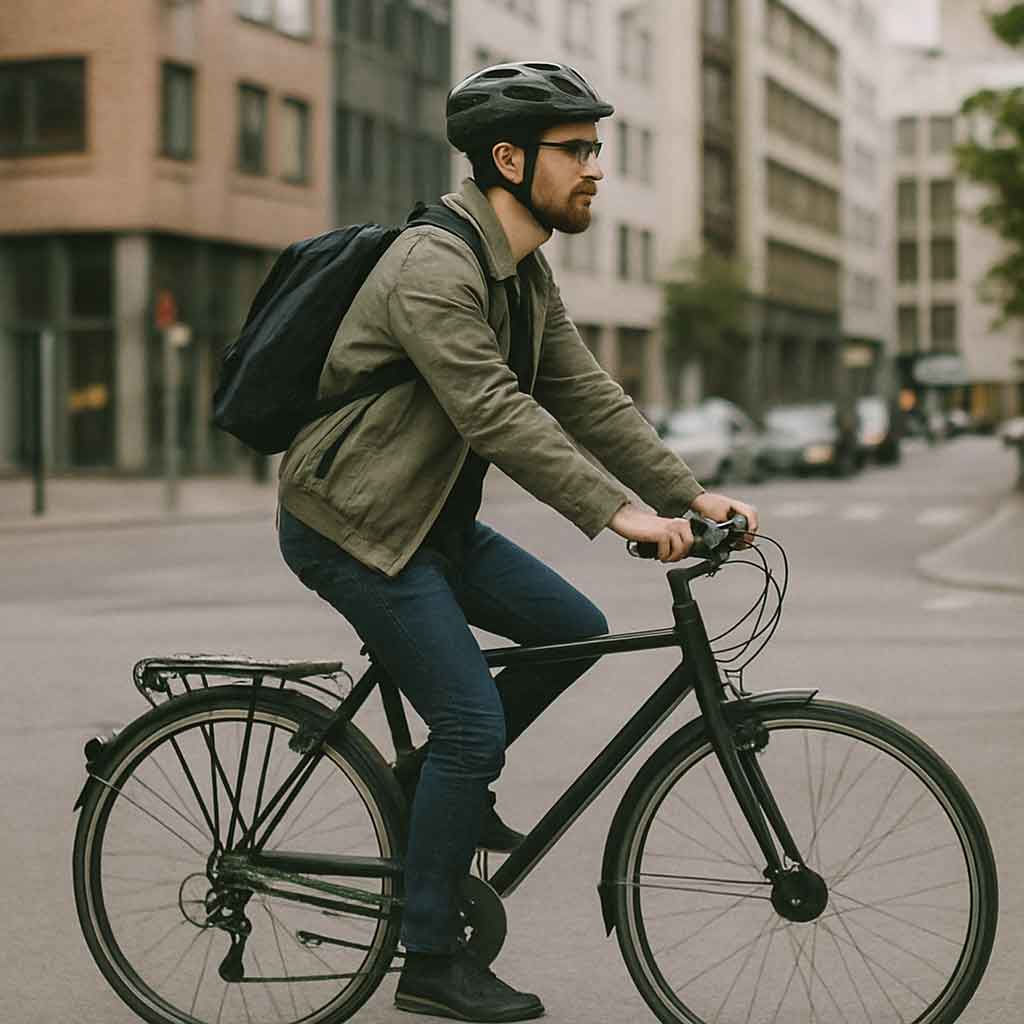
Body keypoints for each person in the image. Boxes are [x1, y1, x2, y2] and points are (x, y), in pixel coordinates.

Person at [277, 61, 758, 1023]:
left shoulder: (525, 274)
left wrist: (688, 494)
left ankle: (426, 788)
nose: (596, 167)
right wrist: (619, 513)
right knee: (472, 725)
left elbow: (584, 395)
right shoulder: (432, 266)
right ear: (508, 159)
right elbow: (494, 409)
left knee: (571, 628)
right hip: (351, 524)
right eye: (575, 149)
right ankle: (429, 957)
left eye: (597, 148)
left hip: (428, 521)